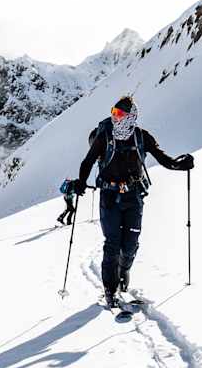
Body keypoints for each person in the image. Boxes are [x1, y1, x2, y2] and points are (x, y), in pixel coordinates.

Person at [66, 96, 193, 307]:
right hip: (109, 195)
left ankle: (124, 270)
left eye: (119, 114)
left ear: (130, 116)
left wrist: (181, 165)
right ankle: (110, 290)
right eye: (113, 112)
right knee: (112, 244)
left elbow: (163, 159)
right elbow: (87, 161)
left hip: (133, 195)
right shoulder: (105, 136)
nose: (114, 117)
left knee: (131, 243)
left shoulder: (141, 137)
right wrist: (81, 181)